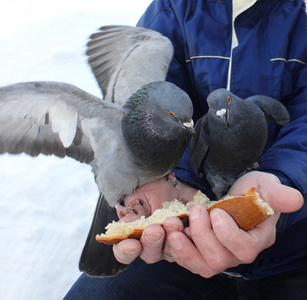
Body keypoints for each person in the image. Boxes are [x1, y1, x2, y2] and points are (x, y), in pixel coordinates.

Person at [65, 0, 307, 298]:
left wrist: (282, 179)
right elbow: (151, 106)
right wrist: (170, 178)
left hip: (293, 252)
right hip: (177, 238)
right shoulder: (172, 8)